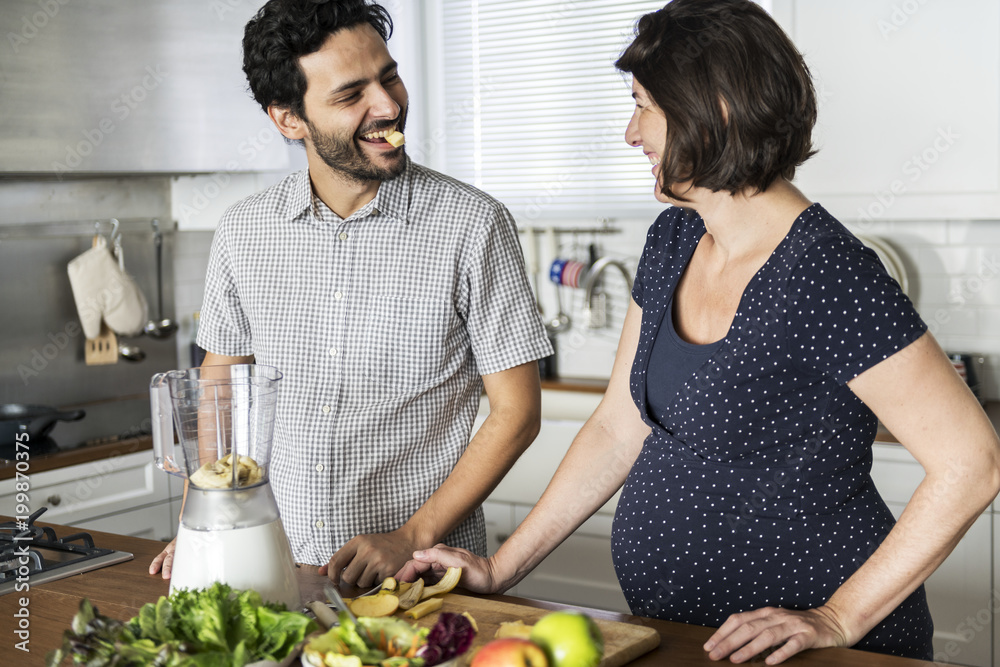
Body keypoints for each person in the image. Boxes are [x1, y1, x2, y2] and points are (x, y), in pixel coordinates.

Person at [398, 0, 1000, 663]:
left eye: (643, 106)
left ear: (711, 110)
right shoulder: (674, 238)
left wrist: (837, 617)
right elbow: (616, 427)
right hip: (684, 635)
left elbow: (973, 462)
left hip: (813, 653)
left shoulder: (826, 274)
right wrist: (501, 568)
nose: (631, 132)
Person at [149, 0, 552, 588]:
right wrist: (202, 523)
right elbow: (219, 395)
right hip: (272, 562)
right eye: (350, 94)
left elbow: (517, 413)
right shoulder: (244, 231)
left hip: (419, 575)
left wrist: (412, 536)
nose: (389, 105)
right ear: (288, 119)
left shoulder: (473, 224)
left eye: (389, 76)